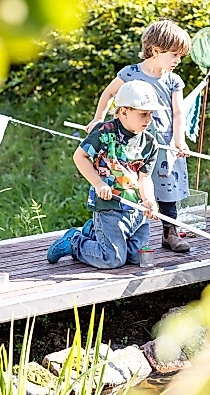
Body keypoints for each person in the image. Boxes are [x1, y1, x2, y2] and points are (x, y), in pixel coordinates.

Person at [86, 19, 192, 253]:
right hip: (131, 143)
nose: (178, 61)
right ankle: (110, 229)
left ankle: (169, 231)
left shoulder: (173, 80)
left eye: (180, 56)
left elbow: (178, 112)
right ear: (156, 51)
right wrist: (98, 119)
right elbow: (109, 94)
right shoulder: (131, 73)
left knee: (166, 188)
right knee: (128, 183)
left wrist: (179, 140)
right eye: (174, 55)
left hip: (162, 142)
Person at [47, 80, 161, 269]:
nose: (148, 120)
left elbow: (145, 177)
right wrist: (98, 183)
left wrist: (149, 200)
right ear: (124, 111)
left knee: (137, 257)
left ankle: (93, 232)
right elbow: (80, 156)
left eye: (150, 114)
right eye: (143, 114)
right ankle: (75, 242)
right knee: (113, 259)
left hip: (136, 210)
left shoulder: (150, 143)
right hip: (110, 207)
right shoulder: (104, 133)